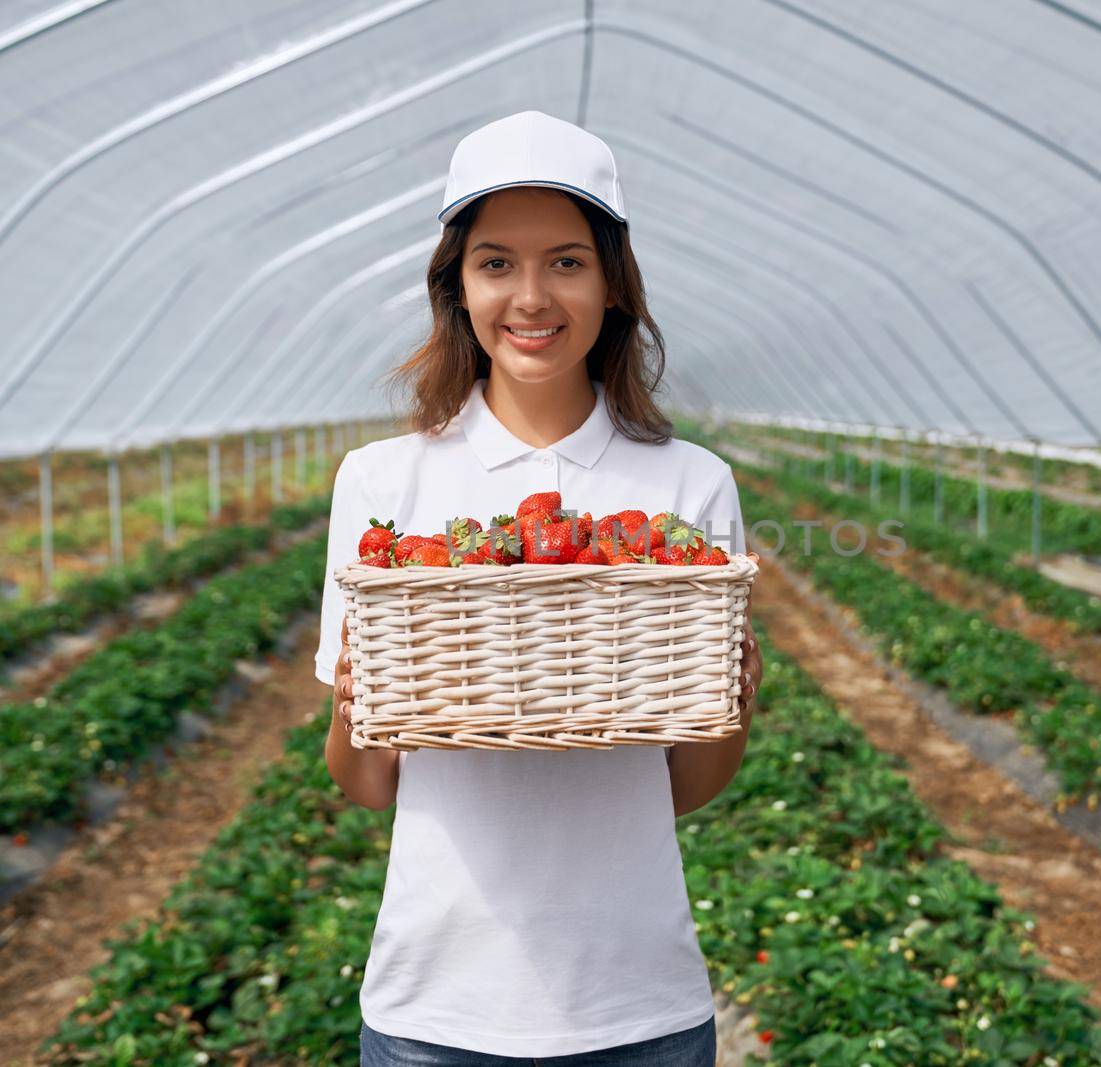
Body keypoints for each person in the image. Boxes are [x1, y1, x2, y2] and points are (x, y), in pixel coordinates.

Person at [313, 110, 764, 1067]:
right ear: (457, 286)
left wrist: (732, 709)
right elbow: (365, 785)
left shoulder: (689, 486)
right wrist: (359, 709)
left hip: (636, 1002)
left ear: (611, 285)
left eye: (566, 261)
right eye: (495, 263)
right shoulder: (383, 484)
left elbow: (685, 786)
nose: (531, 296)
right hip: (436, 1008)